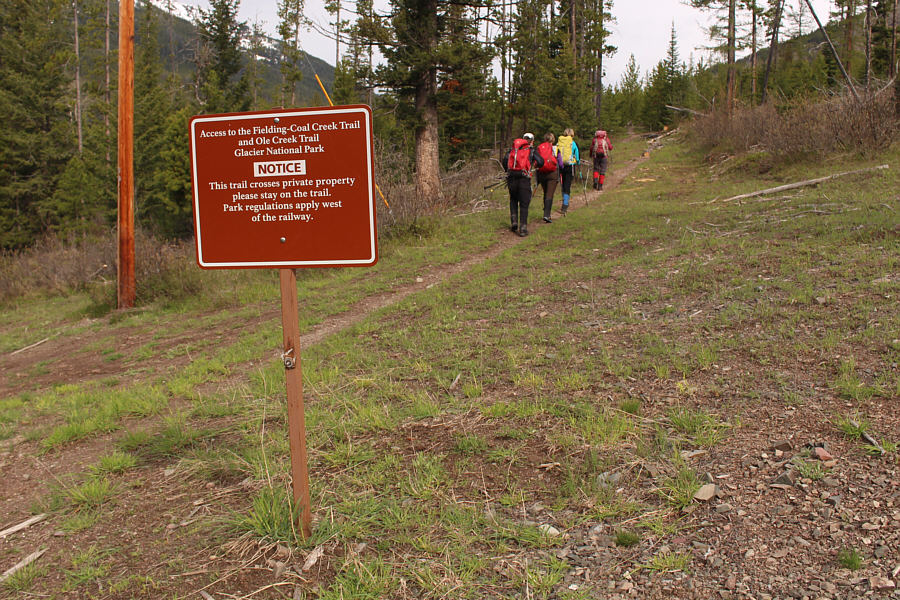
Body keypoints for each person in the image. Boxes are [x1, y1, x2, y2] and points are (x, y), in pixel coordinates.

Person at [503, 132, 543, 237]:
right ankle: (523, 228)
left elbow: (505, 161)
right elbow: (541, 161)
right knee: (524, 203)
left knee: (513, 199)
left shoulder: (513, 150)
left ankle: (514, 221)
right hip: (524, 178)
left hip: (511, 178)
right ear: (532, 141)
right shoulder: (531, 150)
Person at [535, 133, 561, 223]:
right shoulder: (555, 148)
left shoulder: (539, 147)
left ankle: (546, 212)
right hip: (553, 173)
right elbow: (560, 163)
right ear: (553, 139)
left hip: (542, 172)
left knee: (545, 192)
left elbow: (536, 160)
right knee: (549, 194)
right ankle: (547, 215)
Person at [555, 128, 579, 215]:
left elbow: (556, 153)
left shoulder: (559, 142)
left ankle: (564, 201)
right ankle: (565, 204)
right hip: (570, 165)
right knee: (567, 185)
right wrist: (578, 162)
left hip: (561, 166)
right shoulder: (572, 143)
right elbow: (576, 155)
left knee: (563, 183)